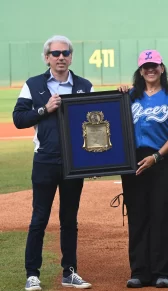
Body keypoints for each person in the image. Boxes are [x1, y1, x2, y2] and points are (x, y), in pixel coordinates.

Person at [12, 35, 93, 291]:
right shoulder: (33, 85)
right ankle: (32, 274)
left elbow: (94, 126)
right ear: (47, 57)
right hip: (46, 160)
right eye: (55, 53)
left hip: (74, 163)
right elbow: (18, 118)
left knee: (70, 219)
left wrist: (95, 160)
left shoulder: (84, 85)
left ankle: (69, 272)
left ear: (71, 56)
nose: (61, 57)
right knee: (39, 218)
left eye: (65, 52)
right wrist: (43, 109)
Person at [118, 49, 168, 288]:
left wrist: (156, 157)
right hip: (134, 161)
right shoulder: (129, 97)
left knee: (161, 216)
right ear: (140, 70)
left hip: (162, 161)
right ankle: (139, 272)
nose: (150, 70)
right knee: (137, 215)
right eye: (146, 66)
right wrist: (117, 96)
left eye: (154, 66)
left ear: (161, 68)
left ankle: (163, 273)